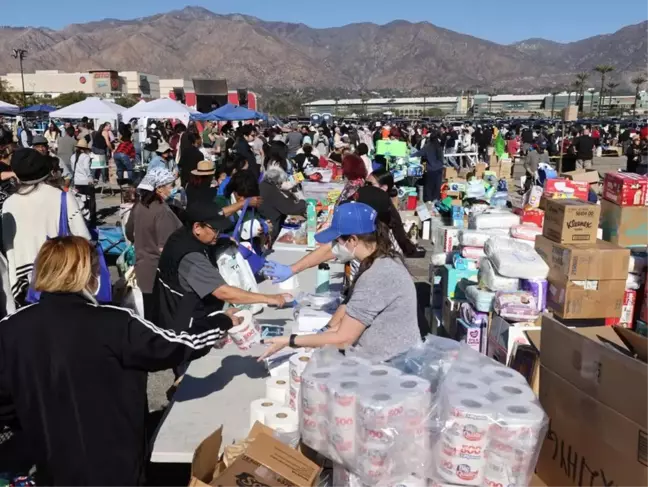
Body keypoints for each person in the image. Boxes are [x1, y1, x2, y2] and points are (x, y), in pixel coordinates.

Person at [0, 236, 238, 487]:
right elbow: (174, 345)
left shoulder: (11, 329)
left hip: (53, 463)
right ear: (87, 274)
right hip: (115, 463)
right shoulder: (114, 322)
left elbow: (4, 403)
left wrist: (35, 419)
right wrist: (219, 322)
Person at [259, 202, 421, 362]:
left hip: (391, 366)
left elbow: (343, 338)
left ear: (353, 240)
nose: (333, 248)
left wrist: (290, 341)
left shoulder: (378, 275)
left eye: (337, 241)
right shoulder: (381, 260)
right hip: (386, 358)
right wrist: (313, 337)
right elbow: (349, 321)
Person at [153, 202, 291, 334]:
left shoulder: (185, 234)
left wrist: (223, 241)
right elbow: (223, 292)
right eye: (215, 230)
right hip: (184, 324)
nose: (218, 234)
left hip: (186, 310)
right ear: (197, 228)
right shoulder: (190, 257)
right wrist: (269, 298)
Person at [2, 148, 90, 305]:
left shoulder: (9, 204)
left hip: (24, 285)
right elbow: (84, 239)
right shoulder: (62, 197)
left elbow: (9, 248)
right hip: (61, 275)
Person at [125, 168, 182, 319]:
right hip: (160, 275)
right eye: (170, 185)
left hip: (143, 269)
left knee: (149, 314)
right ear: (159, 188)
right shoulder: (162, 212)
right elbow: (166, 248)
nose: (173, 189)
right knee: (162, 317)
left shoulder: (138, 206)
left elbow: (129, 233)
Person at [259, 166, 307, 243]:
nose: (280, 184)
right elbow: (290, 209)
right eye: (280, 182)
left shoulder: (264, 185)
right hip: (270, 226)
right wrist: (303, 202)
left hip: (265, 220)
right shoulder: (271, 190)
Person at [71, 138, 97, 227]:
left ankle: (83, 218)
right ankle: (92, 219)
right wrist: (90, 178)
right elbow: (86, 168)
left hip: (77, 181)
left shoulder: (73, 156)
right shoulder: (85, 157)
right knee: (91, 201)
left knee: (80, 201)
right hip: (86, 182)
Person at [413, 132, 444, 202]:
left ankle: (428, 201)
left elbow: (418, 153)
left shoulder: (427, 146)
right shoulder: (439, 146)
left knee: (428, 186)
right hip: (439, 169)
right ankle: (436, 199)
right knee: (437, 185)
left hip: (429, 169)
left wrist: (409, 155)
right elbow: (441, 158)